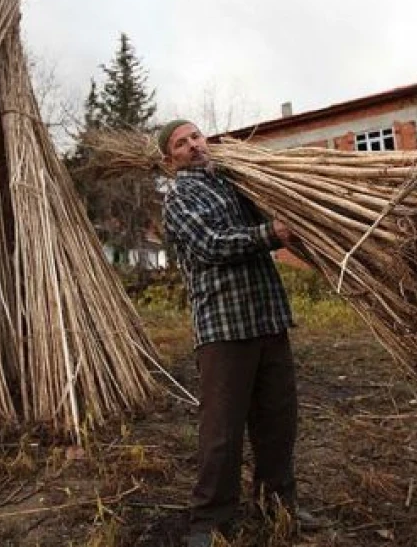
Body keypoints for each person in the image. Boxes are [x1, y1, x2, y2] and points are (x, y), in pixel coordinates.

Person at [157, 119, 325, 547]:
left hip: (267, 318)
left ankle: (276, 505)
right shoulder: (179, 195)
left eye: (195, 136)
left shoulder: (234, 181)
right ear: (169, 159)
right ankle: (209, 522)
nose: (193, 145)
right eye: (181, 143)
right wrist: (270, 233)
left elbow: (275, 215)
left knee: (278, 422)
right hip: (224, 328)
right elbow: (210, 244)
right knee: (221, 431)